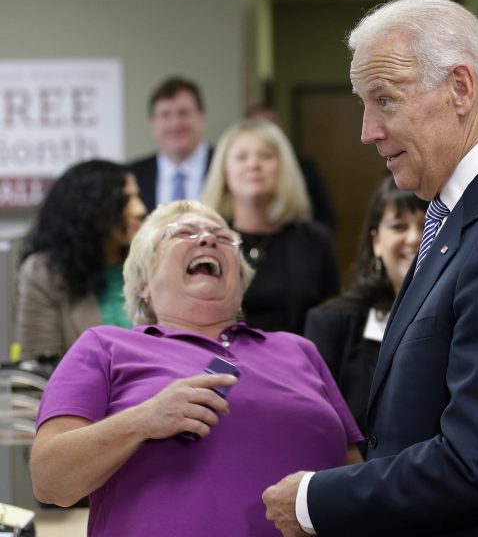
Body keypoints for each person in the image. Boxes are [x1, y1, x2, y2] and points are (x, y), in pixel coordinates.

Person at [262, 0, 478, 536]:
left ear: (461, 89)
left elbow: (476, 466)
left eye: (385, 100)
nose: (367, 131)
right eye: (364, 104)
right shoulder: (467, 212)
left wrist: (313, 499)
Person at [29, 200, 363, 537]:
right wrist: (143, 420)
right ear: (143, 283)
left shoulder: (298, 350)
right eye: (184, 233)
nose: (207, 240)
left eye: (222, 236)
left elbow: (356, 479)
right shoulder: (105, 346)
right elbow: (50, 481)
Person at [303, 176, 426, 448]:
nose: (414, 238)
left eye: (427, 225)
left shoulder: (462, 316)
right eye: (399, 226)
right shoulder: (332, 323)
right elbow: (316, 426)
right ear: (377, 242)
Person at [200, 118, 339, 334]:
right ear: (224, 172)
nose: (254, 165)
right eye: (241, 157)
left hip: (297, 363)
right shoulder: (206, 241)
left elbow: (331, 320)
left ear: (284, 169)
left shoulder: (314, 240)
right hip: (222, 365)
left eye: (265, 156)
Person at [16, 159, 146, 361]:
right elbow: (40, 368)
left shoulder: (150, 265)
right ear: (92, 209)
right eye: (126, 199)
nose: (139, 209)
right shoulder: (45, 273)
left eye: (137, 196)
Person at [247, 102, 337, 231]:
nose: (254, 166)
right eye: (259, 126)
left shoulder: (305, 168)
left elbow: (326, 217)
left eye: (272, 125)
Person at [129, 76, 213, 211]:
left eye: (183, 113)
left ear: (201, 118)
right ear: (153, 123)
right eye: (165, 115)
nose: (175, 123)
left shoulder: (229, 169)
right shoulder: (132, 176)